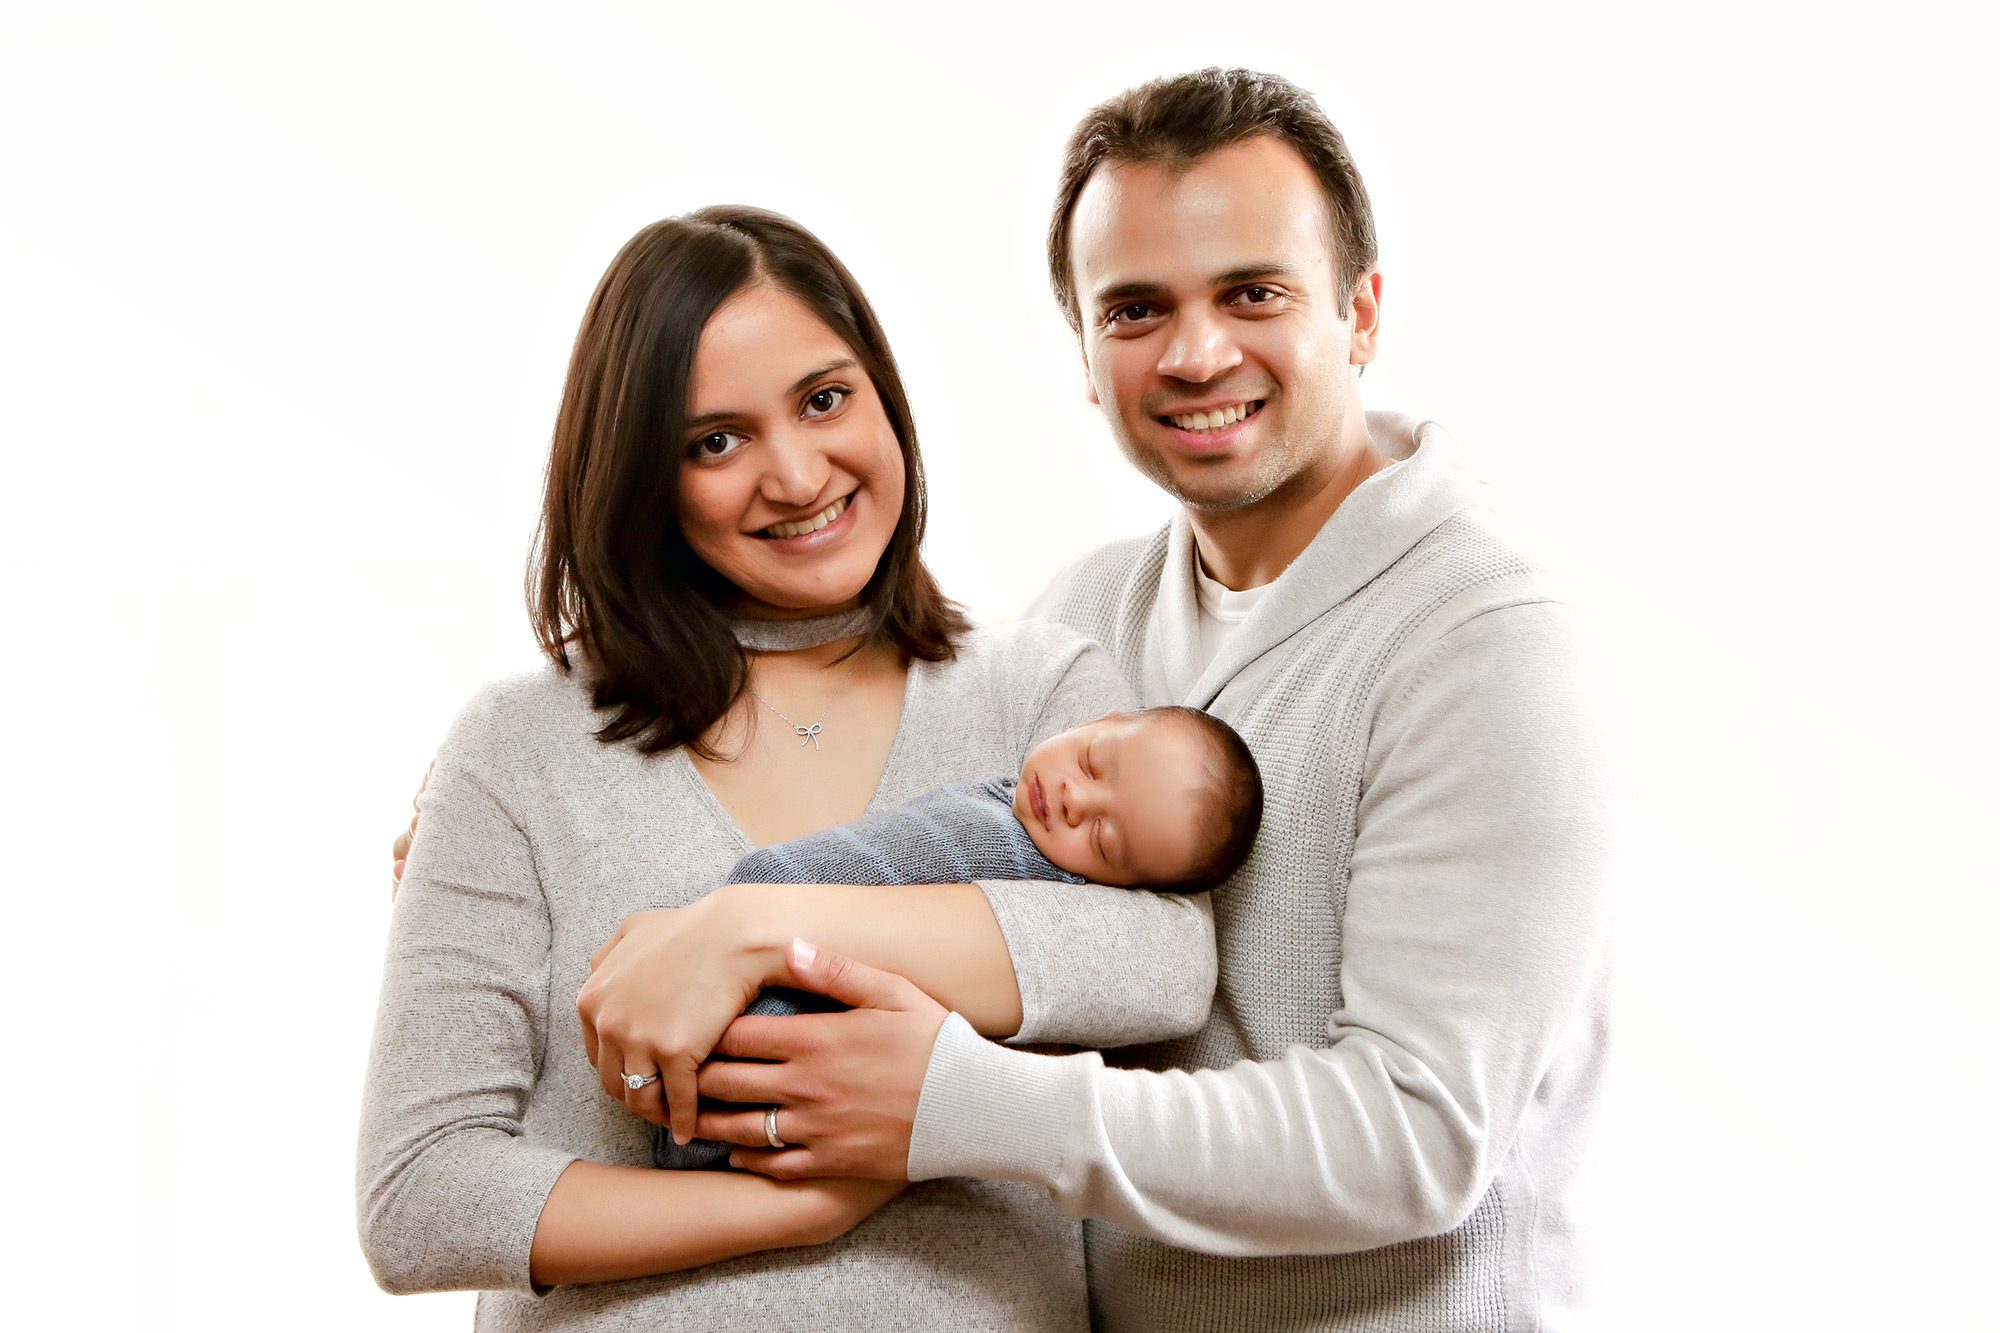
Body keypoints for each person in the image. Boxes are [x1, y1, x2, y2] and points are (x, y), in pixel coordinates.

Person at [592, 69, 1613, 1332]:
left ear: (1359, 313)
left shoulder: (1482, 640)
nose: (1194, 354)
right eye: (1135, 309)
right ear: (1083, 355)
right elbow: (884, 836)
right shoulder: (1081, 617)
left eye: (1251, 292)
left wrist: (955, 1103)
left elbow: (1412, 1138)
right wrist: (556, 797)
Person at [357, 204, 1217, 1330]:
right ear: (642, 478)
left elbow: (1160, 963)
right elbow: (420, 1197)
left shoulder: (1038, 694)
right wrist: (794, 1209)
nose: (798, 474)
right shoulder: (520, 747)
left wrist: (754, 928)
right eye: (715, 442)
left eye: (823, 399)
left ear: (883, 394)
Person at [654, 703, 1263, 1169]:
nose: (1075, 798)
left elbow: (826, 874)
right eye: (1092, 762)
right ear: (1102, 719)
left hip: (752, 1030)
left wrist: (734, 915)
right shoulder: (1008, 791)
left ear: (1120, 892)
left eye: (1102, 839)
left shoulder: (1013, 860)